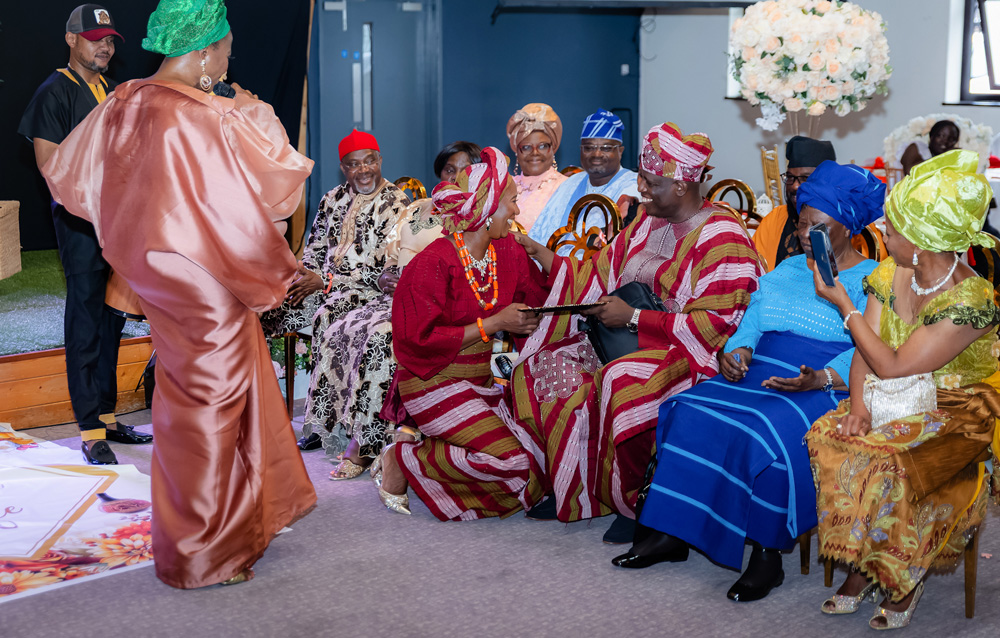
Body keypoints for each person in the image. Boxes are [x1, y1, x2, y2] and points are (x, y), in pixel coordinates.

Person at [40, 0, 316, 588]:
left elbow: (69, 180)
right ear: (204, 52)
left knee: (185, 396)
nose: (228, 60)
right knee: (212, 404)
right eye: (226, 50)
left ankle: (224, 522)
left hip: (154, 276)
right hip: (206, 278)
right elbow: (271, 196)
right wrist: (281, 269)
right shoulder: (204, 116)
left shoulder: (122, 101)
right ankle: (203, 551)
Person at [612, 162, 886, 604]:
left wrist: (821, 377)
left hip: (822, 382)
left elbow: (869, 347)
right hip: (761, 369)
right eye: (802, 224)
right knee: (687, 409)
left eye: (818, 227)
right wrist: (737, 352)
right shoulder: (787, 269)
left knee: (764, 431)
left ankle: (766, 554)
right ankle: (672, 533)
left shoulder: (873, 279)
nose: (805, 234)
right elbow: (752, 320)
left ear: (848, 227)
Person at [510, 122, 763, 542]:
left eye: (650, 182)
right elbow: (599, 272)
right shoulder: (648, 218)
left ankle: (637, 499)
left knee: (620, 380)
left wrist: (632, 318)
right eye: (642, 178)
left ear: (681, 186)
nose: (640, 188)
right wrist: (544, 257)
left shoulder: (723, 236)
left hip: (689, 353)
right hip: (626, 337)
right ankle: (576, 483)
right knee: (546, 361)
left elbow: (714, 326)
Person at [806, 149, 1000, 629]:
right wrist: (857, 406)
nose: (881, 234)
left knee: (893, 460)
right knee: (831, 434)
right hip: (890, 390)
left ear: (923, 243)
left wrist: (843, 305)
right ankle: (862, 561)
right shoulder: (891, 272)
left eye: (891, 230)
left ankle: (901, 574)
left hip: (959, 406)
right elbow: (868, 352)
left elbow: (891, 366)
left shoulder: (970, 301)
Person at [375, 147, 550, 518]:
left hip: (481, 380)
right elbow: (416, 341)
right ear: (487, 211)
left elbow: (540, 298)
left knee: (536, 471)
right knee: (515, 464)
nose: (517, 212)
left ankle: (428, 453)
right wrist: (495, 323)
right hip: (430, 382)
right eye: (512, 202)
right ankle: (404, 457)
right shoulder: (432, 263)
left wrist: (537, 302)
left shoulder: (508, 251)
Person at [18, 4, 152, 465]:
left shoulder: (112, 92)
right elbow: (50, 167)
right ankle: (90, 429)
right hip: (80, 225)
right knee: (85, 324)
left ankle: (108, 416)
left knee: (113, 319)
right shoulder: (53, 92)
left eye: (110, 40)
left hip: (119, 224)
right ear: (71, 39)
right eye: (96, 39)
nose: (105, 47)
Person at [263, 130, 410, 480]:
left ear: (380, 161)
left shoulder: (396, 203)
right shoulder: (332, 198)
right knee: (268, 307)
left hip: (366, 292)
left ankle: (326, 422)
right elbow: (315, 248)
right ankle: (261, 413)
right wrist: (305, 275)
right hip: (324, 284)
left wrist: (328, 283)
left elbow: (385, 271)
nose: (364, 170)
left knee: (327, 316)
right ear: (343, 168)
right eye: (354, 164)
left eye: (370, 161)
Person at [527, 109, 639, 247]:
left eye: (606, 148)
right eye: (589, 148)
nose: (596, 154)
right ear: (581, 150)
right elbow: (539, 234)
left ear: (620, 152)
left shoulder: (633, 187)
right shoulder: (570, 183)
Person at [392, 141, 482, 270]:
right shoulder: (417, 208)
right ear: (440, 173)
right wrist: (387, 274)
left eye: (465, 172)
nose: (456, 177)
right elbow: (391, 255)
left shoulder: (487, 215)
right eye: (449, 171)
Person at [753, 136, 837, 271]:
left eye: (805, 178)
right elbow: (755, 269)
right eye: (790, 177)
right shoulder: (776, 218)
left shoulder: (846, 224)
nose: (795, 186)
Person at [506, 103, 568, 231]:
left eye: (542, 146)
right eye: (526, 147)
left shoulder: (566, 187)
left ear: (553, 148)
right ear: (517, 151)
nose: (535, 153)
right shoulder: (506, 187)